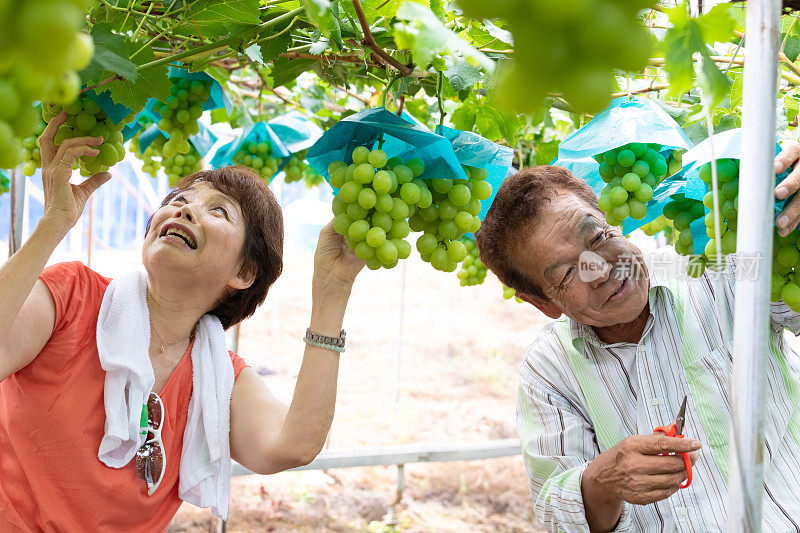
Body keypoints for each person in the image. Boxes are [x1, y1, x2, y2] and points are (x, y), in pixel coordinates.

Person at [0, 112, 364, 531]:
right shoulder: (73, 296)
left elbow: (292, 445)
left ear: (244, 273)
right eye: (178, 200)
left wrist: (331, 293)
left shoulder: (219, 379)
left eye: (218, 211)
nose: (184, 210)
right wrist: (52, 224)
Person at [476, 143, 800, 532]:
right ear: (542, 303)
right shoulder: (549, 369)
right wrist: (602, 480)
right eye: (566, 274)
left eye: (596, 238)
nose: (599, 268)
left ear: (613, 221)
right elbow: (555, 513)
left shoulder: (720, 271)